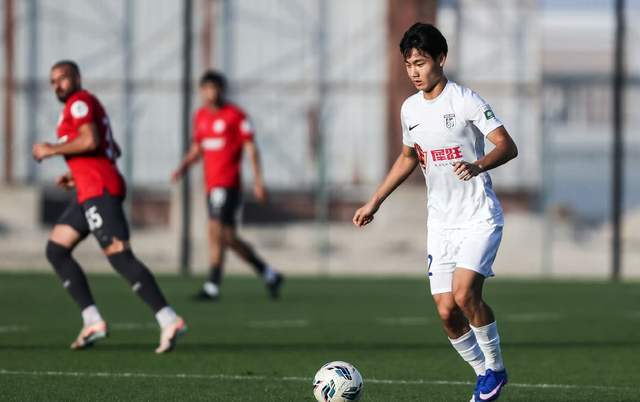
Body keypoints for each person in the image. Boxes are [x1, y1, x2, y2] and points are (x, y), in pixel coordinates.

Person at [352, 23, 518, 401]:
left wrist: (478, 165)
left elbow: (507, 146)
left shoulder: (465, 100)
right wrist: (375, 201)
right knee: (446, 312)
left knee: (464, 294)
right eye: (408, 64)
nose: (414, 71)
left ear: (441, 59)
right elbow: (408, 157)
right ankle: (484, 374)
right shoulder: (410, 108)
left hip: (478, 216)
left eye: (421, 63)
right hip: (441, 224)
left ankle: (495, 367)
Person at [32, 60, 186, 354]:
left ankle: (169, 318)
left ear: (77, 77)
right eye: (53, 81)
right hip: (88, 190)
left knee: (119, 255)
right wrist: (75, 174)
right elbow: (112, 148)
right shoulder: (81, 106)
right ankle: (92, 321)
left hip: (99, 190)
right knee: (56, 249)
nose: (57, 85)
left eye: (63, 78)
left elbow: (91, 140)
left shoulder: (79, 103)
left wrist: (52, 149)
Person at [172, 70, 283, 301]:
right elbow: (197, 148)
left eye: (214, 88)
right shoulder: (200, 116)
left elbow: (251, 148)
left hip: (228, 184)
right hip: (210, 185)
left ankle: (212, 285)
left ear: (222, 90)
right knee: (228, 237)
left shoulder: (236, 115)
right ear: (201, 91)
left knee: (214, 229)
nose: (210, 93)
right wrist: (182, 167)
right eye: (206, 89)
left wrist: (258, 181)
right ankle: (269, 274)